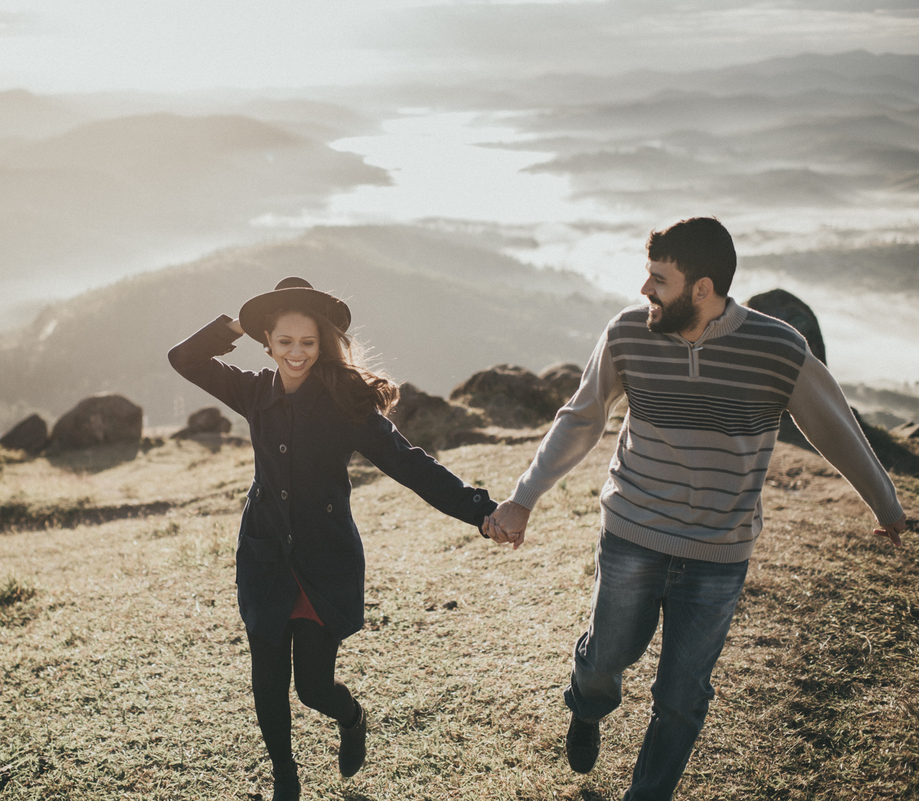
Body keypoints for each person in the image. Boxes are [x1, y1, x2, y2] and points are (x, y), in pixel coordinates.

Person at [483, 217, 908, 800]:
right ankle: (586, 707)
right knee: (606, 660)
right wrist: (523, 498)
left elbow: (833, 427)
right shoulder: (628, 333)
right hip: (633, 533)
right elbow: (582, 418)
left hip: (717, 554)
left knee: (683, 697)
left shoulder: (778, 348)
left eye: (659, 279)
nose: (645, 289)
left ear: (702, 288)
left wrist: (885, 502)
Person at [168, 277, 497, 801]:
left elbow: (411, 465)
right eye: (284, 341)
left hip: (324, 563)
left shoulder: (347, 405)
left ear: (323, 344)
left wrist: (481, 511)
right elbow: (184, 358)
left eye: (308, 342)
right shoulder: (253, 391)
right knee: (267, 680)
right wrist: (239, 323)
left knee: (313, 688)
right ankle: (285, 777)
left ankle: (352, 717)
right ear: (268, 342)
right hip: (264, 557)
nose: (296, 353)